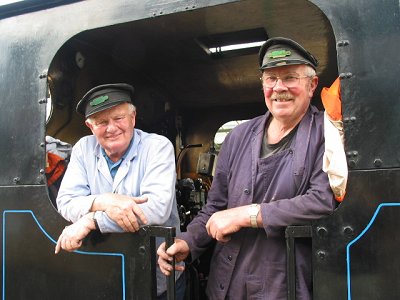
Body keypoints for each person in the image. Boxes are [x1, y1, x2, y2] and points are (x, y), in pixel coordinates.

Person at [157, 37, 337, 299]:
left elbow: (323, 202)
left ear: (312, 85)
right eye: (270, 79)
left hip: (283, 283)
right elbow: (215, 208)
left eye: (290, 77)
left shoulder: (326, 133)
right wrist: (188, 241)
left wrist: (247, 214)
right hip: (226, 281)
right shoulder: (239, 136)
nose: (279, 87)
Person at [54, 83, 185, 299]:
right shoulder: (83, 149)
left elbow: (155, 209)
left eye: (119, 118)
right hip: (105, 275)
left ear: (133, 118)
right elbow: (66, 202)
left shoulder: (158, 147)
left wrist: (91, 220)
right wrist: (105, 200)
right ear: (90, 126)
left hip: (156, 275)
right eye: (102, 122)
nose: (111, 128)